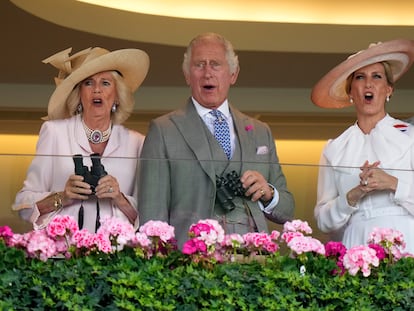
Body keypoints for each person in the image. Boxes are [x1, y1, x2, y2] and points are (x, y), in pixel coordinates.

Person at [138, 32, 295, 247]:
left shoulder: (260, 131)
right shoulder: (164, 130)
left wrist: (268, 193)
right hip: (191, 263)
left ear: (233, 74)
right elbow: (152, 216)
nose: (207, 73)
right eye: (199, 65)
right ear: (186, 75)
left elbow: (286, 209)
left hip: (254, 264)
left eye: (215, 64)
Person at [13, 46, 150, 232]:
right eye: (88, 83)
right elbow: (22, 205)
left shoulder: (136, 142)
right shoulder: (54, 133)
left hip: (117, 254)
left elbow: (150, 216)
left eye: (105, 83)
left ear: (117, 96)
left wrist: (119, 198)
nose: (97, 90)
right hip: (63, 251)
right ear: (79, 95)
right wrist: (63, 197)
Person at [311, 39, 414, 253]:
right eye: (360, 77)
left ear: (388, 90)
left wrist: (393, 183)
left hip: (405, 239)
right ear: (350, 92)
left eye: (376, 77)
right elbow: (323, 220)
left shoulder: (410, 136)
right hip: (357, 242)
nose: (368, 84)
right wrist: (351, 197)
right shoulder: (334, 148)